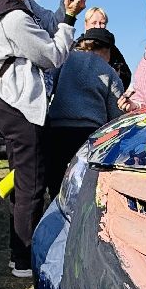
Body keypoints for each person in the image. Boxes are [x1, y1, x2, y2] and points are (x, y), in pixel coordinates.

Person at [0, 0, 86, 278]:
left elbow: (52, 23)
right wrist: (69, 24)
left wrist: (71, 0)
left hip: (14, 107)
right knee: (30, 188)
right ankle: (25, 261)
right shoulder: (13, 18)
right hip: (21, 110)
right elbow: (51, 55)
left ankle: (18, 254)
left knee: (23, 184)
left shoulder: (17, 5)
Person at [44, 27, 125, 190]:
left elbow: (48, 85)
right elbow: (117, 113)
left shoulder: (65, 60)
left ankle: (57, 208)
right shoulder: (108, 71)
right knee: (86, 183)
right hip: (90, 133)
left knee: (57, 180)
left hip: (57, 130)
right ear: (107, 51)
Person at [84, 5, 131, 89]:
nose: (98, 26)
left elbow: (126, 76)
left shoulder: (112, 49)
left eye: (102, 23)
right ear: (86, 24)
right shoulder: (77, 47)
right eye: (94, 23)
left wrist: (116, 76)